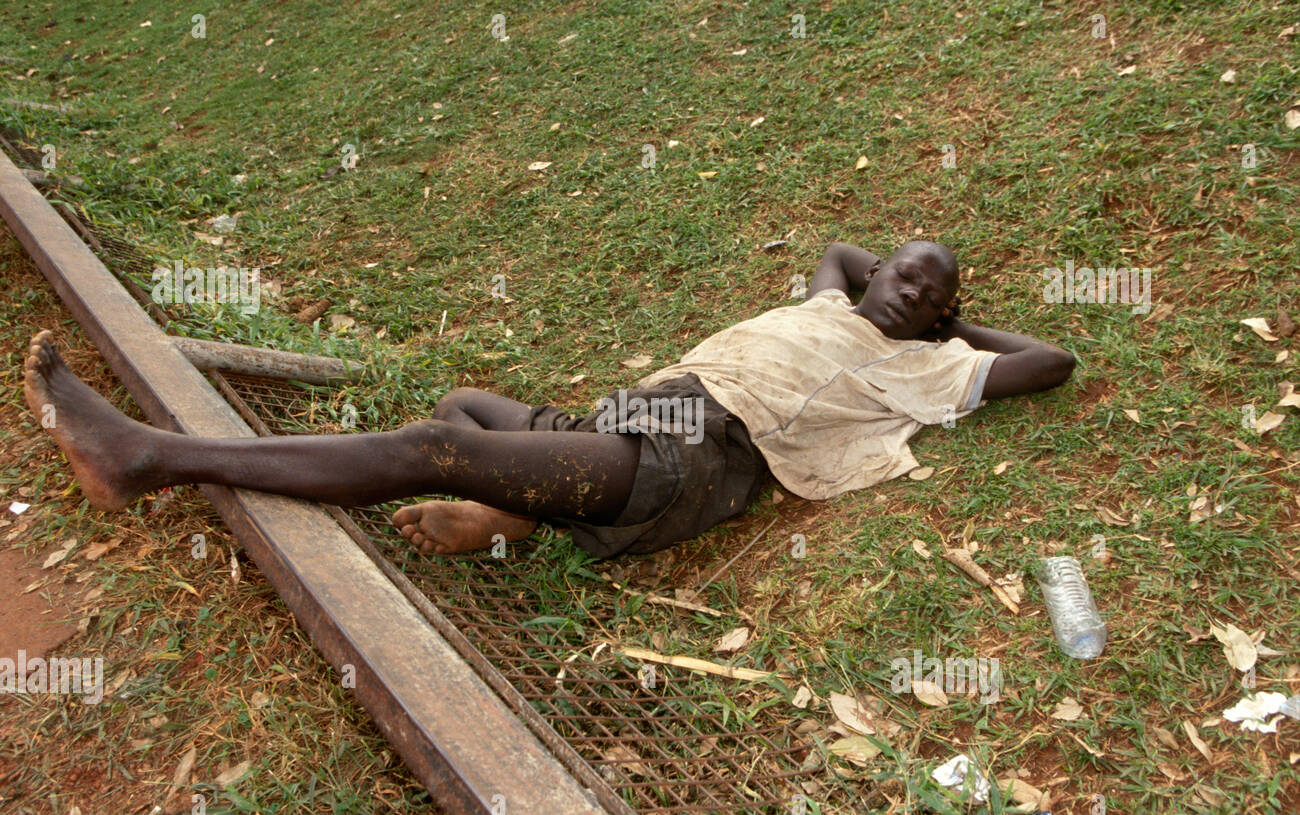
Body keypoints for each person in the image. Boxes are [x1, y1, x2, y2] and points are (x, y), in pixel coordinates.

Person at [21, 240, 1075, 559]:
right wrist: (884, 286)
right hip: (648, 413)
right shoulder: (829, 303)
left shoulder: (932, 365)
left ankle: (152, 457)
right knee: (472, 402)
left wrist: (948, 333)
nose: (914, 288)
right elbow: (836, 254)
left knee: (437, 442)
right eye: (907, 272)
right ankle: (518, 516)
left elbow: (1053, 360)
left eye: (933, 291)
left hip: (697, 458)